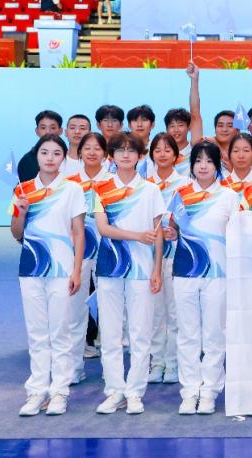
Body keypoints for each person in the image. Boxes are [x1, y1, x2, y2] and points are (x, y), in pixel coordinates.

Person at [10, 134, 86, 417]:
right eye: (45, 153)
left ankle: (59, 391)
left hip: (61, 269)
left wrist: (76, 269)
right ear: (37, 157)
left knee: (60, 332)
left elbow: (78, 233)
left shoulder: (72, 189)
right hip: (31, 269)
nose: (50, 158)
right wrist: (20, 213)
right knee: (37, 332)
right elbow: (16, 233)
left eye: (56, 153)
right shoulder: (23, 190)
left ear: (63, 158)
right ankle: (37, 390)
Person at [92, 132, 165, 415]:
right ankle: (114, 390)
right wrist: (137, 236)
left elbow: (158, 233)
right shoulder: (101, 188)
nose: (125, 155)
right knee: (111, 333)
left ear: (140, 156)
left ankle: (134, 392)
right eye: (120, 150)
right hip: (109, 267)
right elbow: (103, 229)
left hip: (142, 269)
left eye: (131, 150)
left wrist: (157, 269)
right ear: (111, 156)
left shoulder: (150, 190)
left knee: (140, 332)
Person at [171, 141, 238, 415]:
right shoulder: (180, 194)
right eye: (198, 160)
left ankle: (209, 391)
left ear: (217, 166)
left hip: (218, 274)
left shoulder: (229, 196)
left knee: (213, 334)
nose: (203, 166)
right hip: (185, 271)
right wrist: (169, 233)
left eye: (209, 161)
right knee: (188, 334)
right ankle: (189, 392)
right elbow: (172, 229)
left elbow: (238, 234)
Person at [64, 132, 109, 382]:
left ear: (105, 154)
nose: (92, 152)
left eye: (97, 148)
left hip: (109, 251)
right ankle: (74, 367)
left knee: (110, 309)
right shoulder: (69, 183)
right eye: (87, 148)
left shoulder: (113, 182)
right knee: (75, 308)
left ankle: (112, 371)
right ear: (79, 152)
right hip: (78, 251)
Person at [147, 133, 189, 386]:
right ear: (151, 154)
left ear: (176, 155)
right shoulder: (143, 185)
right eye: (157, 150)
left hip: (176, 255)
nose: (162, 154)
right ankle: (156, 362)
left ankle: (173, 363)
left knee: (175, 312)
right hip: (148, 256)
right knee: (154, 313)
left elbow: (193, 221)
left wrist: (177, 232)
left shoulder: (185, 185)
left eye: (167, 150)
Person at [18, 110, 63, 182]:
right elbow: (24, 187)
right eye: (43, 128)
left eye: (53, 128)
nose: (48, 132)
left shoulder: (68, 157)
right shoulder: (28, 160)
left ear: (60, 131)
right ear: (37, 131)